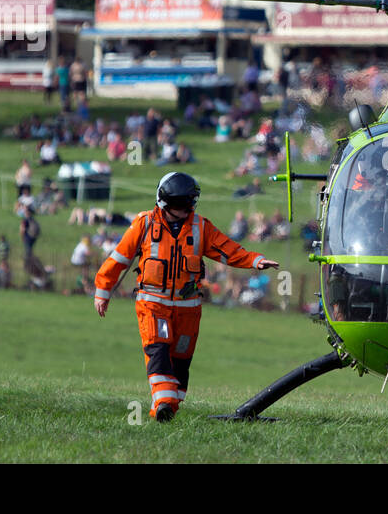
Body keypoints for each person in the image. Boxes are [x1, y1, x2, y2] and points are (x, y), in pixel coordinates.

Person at [93, 172, 279, 423]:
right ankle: (164, 402)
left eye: (190, 203)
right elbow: (119, 259)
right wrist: (103, 292)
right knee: (158, 350)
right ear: (166, 204)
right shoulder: (144, 223)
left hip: (188, 310)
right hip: (152, 304)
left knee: (181, 360)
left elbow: (227, 249)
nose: (188, 209)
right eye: (182, 205)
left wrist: (255, 260)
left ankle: (167, 406)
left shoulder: (201, 227)